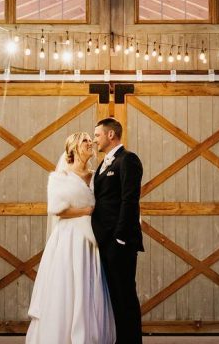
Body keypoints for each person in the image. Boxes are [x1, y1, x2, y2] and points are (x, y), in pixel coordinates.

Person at [26, 132, 116, 344]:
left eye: (90, 140)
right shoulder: (60, 177)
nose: (91, 143)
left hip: (91, 241)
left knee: (89, 286)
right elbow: (58, 210)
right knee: (67, 287)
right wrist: (86, 211)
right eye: (85, 140)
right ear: (73, 147)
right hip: (69, 239)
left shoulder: (97, 175)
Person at [92, 117, 143, 344]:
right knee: (113, 296)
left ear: (110, 135)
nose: (95, 140)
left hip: (119, 242)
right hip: (103, 241)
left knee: (125, 296)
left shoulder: (128, 160)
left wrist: (120, 239)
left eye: (97, 135)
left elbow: (129, 200)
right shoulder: (102, 166)